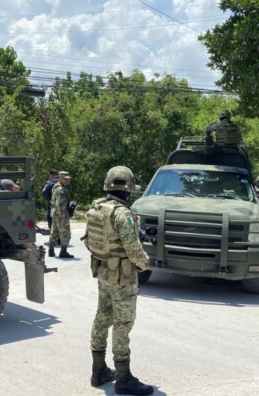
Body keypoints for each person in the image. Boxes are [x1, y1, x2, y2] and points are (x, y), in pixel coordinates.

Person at [84, 166, 153, 395]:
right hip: (122, 277)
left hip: (103, 271)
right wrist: (145, 263)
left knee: (102, 316)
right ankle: (123, 378)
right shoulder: (122, 213)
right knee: (123, 324)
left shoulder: (97, 207)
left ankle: (98, 370)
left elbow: (89, 241)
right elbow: (134, 251)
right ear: (130, 187)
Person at [49, 171, 74, 259]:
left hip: (55, 213)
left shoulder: (56, 187)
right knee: (66, 233)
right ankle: (63, 252)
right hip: (61, 214)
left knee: (54, 232)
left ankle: (51, 251)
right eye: (65, 179)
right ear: (60, 178)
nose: (67, 180)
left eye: (68, 178)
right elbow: (60, 204)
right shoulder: (61, 190)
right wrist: (63, 217)